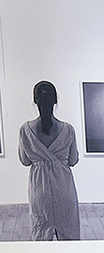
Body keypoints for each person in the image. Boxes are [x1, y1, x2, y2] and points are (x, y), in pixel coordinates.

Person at [18, 81, 80, 241]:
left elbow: (25, 161)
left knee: (41, 237)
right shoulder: (68, 129)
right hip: (64, 189)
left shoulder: (25, 129)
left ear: (35, 101)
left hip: (40, 190)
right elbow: (73, 160)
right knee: (69, 237)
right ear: (55, 101)